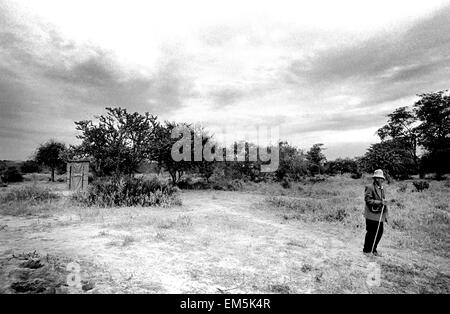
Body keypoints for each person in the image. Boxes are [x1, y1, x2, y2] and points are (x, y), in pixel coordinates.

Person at [363, 169, 388, 256]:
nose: (381, 180)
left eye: (382, 178)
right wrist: (380, 202)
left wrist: (385, 205)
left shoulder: (381, 188)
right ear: (376, 178)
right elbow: (368, 200)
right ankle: (366, 250)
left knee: (379, 232)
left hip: (379, 214)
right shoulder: (370, 187)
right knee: (371, 232)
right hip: (371, 213)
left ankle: (373, 249)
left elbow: (383, 200)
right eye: (380, 178)